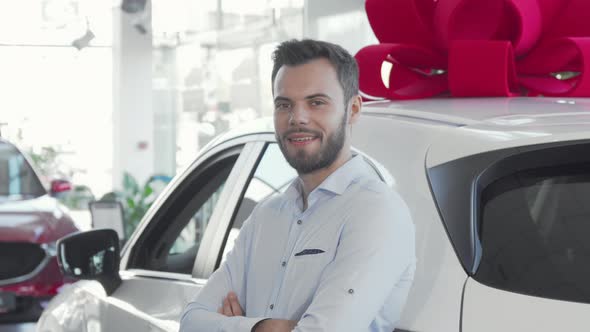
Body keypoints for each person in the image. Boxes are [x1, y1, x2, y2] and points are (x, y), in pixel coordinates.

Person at [179, 39, 416, 332]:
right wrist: (262, 327)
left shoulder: (377, 212)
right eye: (284, 104)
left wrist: (235, 326)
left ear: (353, 109)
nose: (297, 118)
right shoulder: (266, 216)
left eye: (316, 102)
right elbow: (191, 321)